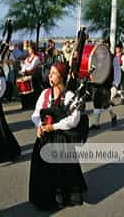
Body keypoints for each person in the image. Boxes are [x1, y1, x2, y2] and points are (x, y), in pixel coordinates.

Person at [29, 62, 87, 209]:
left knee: (61, 170)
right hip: (44, 137)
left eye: (54, 73)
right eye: (50, 73)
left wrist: (53, 126)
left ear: (61, 77)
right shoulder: (45, 94)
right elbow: (36, 114)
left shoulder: (69, 96)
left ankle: (61, 195)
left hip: (61, 138)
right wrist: (39, 126)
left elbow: (74, 120)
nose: (50, 75)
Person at [18, 41, 42, 109]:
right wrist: (23, 66)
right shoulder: (28, 58)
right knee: (25, 91)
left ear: (33, 49)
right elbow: (23, 66)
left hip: (34, 77)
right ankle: (27, 104)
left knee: (34, 91)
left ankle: (34, 104)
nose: (28, 50)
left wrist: (24, 67)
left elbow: (31, 67)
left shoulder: (36, 58)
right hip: (27, 75)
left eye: (29, 49)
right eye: (28, 49)